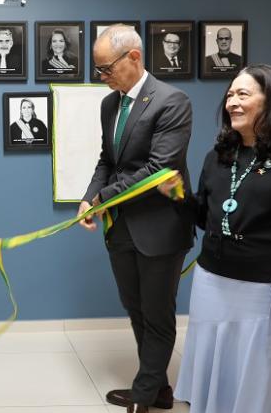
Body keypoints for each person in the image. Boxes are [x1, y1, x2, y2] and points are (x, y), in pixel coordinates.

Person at [156, 64, 271, 413]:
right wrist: (180, 197)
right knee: (217, 381)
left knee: (259, 390)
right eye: (230, 94)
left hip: (267, 294)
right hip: (212, 285)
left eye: (243, 94)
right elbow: (210, 218)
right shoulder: (219, 156)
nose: (232, 102)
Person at [77, 24, 194, 413]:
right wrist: (88, 197)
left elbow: (159, 169)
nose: (103, 77)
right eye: (99, 70)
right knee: (136, 309)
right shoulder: (109, 104)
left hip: (161, 228)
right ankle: (156, 387)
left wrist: (102, 199)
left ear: (134, 57)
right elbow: (107, 161)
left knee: (158, 314)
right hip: (122, 229)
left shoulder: (172, 101)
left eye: (106, 68)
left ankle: (143, 398)